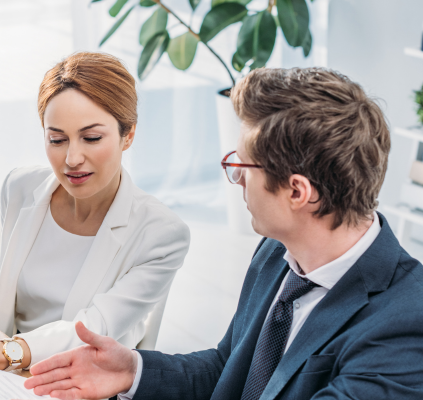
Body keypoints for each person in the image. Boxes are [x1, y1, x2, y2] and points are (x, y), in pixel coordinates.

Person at [23, 67, 423, 400]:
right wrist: (134, 370)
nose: (235, 180)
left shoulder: (404, 324)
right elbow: (229, 368)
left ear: (297, 191)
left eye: (242, 167)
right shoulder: (276, 253)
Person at [0, 52, 191, 370]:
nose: (72, 158)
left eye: (91, 138)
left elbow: (94, 328)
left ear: (128, 135)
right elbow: (13, 282)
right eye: (57, 139)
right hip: (6, 368)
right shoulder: (20, 187)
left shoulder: (162, 233)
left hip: (81, 381)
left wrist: (3, 352)